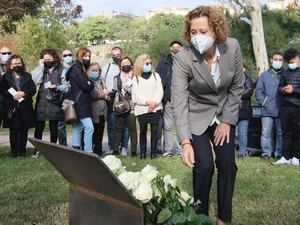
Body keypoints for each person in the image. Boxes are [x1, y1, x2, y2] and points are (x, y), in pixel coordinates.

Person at [171, 6, 245, 225]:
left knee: (227, 164)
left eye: (203, 31)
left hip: (224, 112)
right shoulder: (183, 57)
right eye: (193, 32)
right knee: (203, 167)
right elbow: (179, 100)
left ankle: (224, 218)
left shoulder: (232, 47)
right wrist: (185, 141)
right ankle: (200, 218)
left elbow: (238, 86)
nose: (197, 37)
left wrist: (227, 121)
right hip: (197, 114)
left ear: (215, 29)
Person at [32, 48, 69, 157]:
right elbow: (35, 81)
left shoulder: (62, 69)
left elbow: (67, 86)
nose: (47, 61)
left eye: (49, 59)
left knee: (54, 127)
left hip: (56, 101)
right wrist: (40, 67)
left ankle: (53, 151)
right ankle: (37, 150)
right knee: (39, 127)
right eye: (45, 59)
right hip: (42, 101)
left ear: (54, 58)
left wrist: (57, 87)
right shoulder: (41, 69)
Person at [0, 55, 36, 157]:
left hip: (25, 106)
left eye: (19, 63)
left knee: (24, 130)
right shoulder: (5, 77)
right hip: (12, 107)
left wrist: (23, 93)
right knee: (14, 130)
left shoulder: (27, 76)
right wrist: (14, 95)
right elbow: (2, 90)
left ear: (22, 64)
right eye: (15, 64)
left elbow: (33, 89)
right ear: (10, 66)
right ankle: (14, 152)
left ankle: (22, 151)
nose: (17, 65)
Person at [132, 54, 163, 159]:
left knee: (154, 131)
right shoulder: (136, 79)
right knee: (143, 130)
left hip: (155, 107)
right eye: (146, 63)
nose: (148, 65)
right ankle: (143, 153)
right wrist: (147, 102)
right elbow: (136, 95)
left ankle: (153, 153)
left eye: (150, 63)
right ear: (140, 65)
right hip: (142, 109)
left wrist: (154, 103)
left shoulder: (156, 76)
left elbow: (160, 91)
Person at [156, 40, 183, 157]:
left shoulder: (186, 62)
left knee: (180, 126)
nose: (175, 49)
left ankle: (179, 150)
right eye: (173, 47)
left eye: (178, 47)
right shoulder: (164, 62)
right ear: (169, 49)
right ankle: (168, 150)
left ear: (182, 49)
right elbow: (158, 80)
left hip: (182, 100)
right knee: (168, 126)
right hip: (168, 99)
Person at [273, 48, 300, 166]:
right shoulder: (285, 73)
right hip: (285, 108)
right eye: (289, 62)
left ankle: (296, 157)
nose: (291, 63)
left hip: (297, 107)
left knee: (297, 133)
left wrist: (294, 90)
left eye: (293, 61)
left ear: (298, 59)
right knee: (286, 133)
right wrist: (283, 90)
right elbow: (279, 88)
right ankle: (285, 157)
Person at [255, 52, 284, 160]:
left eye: (280, 60)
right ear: (272, 60)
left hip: (281, 110)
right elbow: (258, 91)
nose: (277, 61)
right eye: (275, 59)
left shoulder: (285, 75)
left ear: (282, 61)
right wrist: (264, 103)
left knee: (280, 134)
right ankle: (266, 154)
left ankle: (279, 154)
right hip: (267, 110)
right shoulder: (264, 75)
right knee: (265, 133)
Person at [101, 46, 129, 155]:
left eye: (118, 55)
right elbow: (101, 80)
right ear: (111, 56)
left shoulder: (126, 66)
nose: (116, 57)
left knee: (124, 125)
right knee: (112, 125)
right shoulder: (106, 67)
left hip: (125, 98)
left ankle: (124, 147)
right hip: (111, 98)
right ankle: (111, 146)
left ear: (121, 54)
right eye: (114, 55)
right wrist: (105, 92)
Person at [66, 47, 94, 153]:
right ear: (80, 56)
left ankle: (75, 148)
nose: (87, 58)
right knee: (89, 127)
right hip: (81, 103)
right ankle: (88, 151)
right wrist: (91, 83)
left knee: (78, 127)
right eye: (85, 56)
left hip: (78, 102)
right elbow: (85, 86)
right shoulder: (77, 68)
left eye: (89, 56)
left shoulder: (77, 67)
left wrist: (88, 83)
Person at [113, 56, 137, 156]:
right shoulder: (116, 77)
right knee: (118, 128)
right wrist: (115, 104)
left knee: (132, 128)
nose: (125, 65)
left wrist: (126, 87)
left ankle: (134, 151)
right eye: (123, 64)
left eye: (127, 63)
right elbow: (115, 91)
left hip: (131, 106)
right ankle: (115, 150)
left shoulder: (135, 77)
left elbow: (136, 92)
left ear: (131, 64)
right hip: (119, 106)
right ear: (120, 66)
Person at [88, 62, 108, 156]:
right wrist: (103, 94)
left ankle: (98, 150)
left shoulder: (101, 81)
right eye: (93, 70)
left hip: (102, 112)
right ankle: (90, 150)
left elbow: (106, 93)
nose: (95, 72)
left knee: (100, 132)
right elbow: (93, 95)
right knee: (93, 132)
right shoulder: (88, 81)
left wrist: (106, 95)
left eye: (97, 70)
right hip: (92, 111)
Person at [236, 61, 254, 158]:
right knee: (231, 134)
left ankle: (242, 153)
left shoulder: (248, 79)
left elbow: (249, 91)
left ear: (244, 69)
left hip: (244, 110)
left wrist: (236, 94)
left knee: (242, 134)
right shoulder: (231, 78)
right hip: (232, 111)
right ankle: (230, 152)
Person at [57, 48, 73, 146]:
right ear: (62, 57)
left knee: (77, 124)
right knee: (61, 125)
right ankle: (63, 146)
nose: (68, 57)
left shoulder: (77, 66)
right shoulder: (58, 68)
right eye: (65, 55)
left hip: (75, 98)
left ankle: (79, 146)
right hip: (61, 99)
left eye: (69, 55)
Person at [0, 46, 12, 128]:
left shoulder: (14, 65)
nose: (7, 55)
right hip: (0, 100)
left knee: (12, 125)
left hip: (11, 99)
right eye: (4, 53)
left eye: (9, 53)